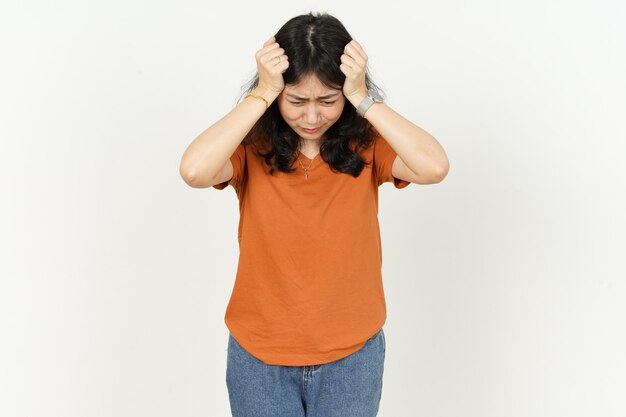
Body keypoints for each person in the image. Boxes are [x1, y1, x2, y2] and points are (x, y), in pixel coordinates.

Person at [179, 11, 449, 417]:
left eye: (327, 100)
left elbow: (434, 166)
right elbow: (195, 170)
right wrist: (262, 94)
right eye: (296, 100)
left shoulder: (368, 145)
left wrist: (363, 99)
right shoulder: (249, 146)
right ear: (276, 95)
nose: (311, 116)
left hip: (351, 357)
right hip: (259, 358)